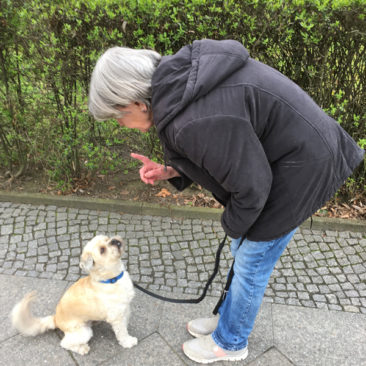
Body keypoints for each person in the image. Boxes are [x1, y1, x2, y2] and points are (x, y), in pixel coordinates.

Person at [88, 39, 364, 364]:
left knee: (251, 262)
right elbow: (224, 152)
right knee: (245, 253)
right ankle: (229, 323)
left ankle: (231, 342)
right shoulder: (183, 87)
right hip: (290, 159)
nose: (122, 126)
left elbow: (253, 187)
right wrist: (171, 171)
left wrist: (233, 229)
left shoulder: (190, 116)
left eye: (118, 118)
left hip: (301, 168)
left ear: (134, 102)